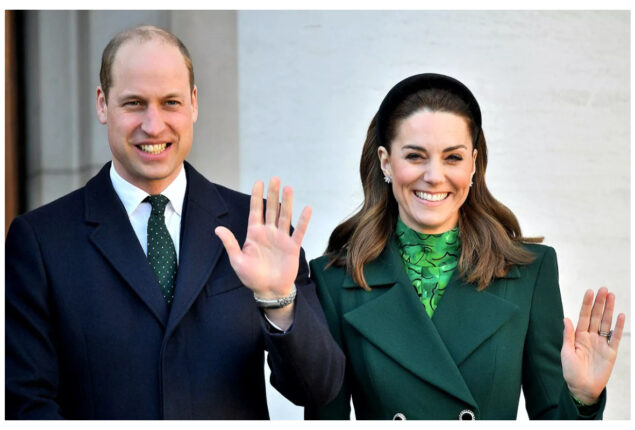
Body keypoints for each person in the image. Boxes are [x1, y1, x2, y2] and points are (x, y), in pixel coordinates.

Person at [5, 25, 344, 419]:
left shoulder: (255, 228)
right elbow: (26, 405)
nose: (153, 125)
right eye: (134, 103)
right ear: (102, 104)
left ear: (194, 104)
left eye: (170, 102)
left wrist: (279, 301)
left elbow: (318, 389)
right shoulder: (42, 241)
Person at [304, 73, 625, 420]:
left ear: (473, 163)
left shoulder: (530, 272)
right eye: (415, 156)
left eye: (452, 158)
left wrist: (582, 398)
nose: (434, 175)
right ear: (385, 161)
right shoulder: (335, 281)